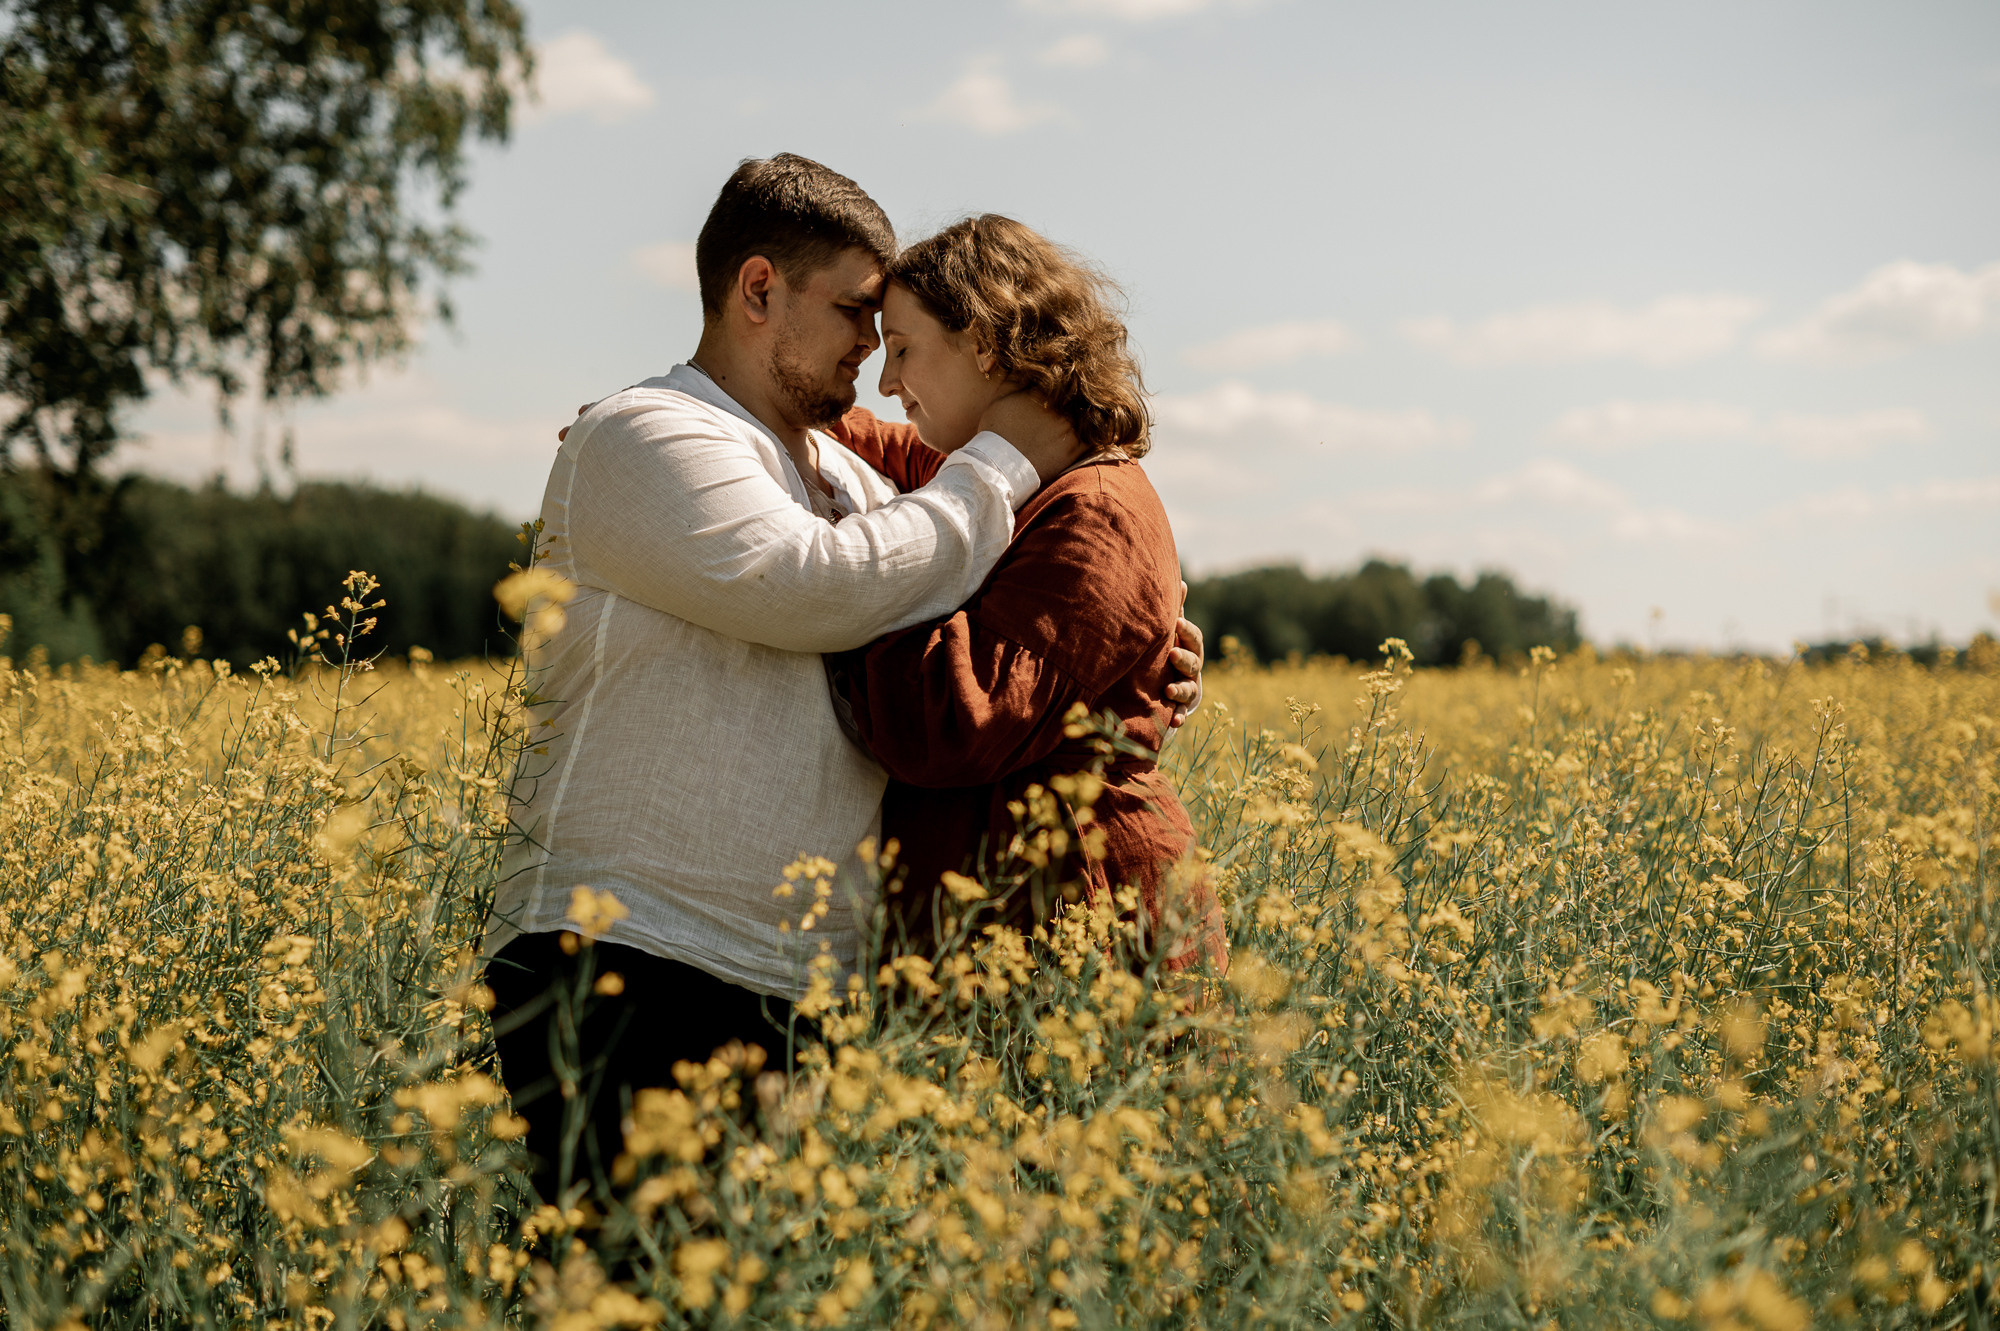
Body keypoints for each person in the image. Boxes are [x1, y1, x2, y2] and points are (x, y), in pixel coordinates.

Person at [482, 155, 1204, 1205]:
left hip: (792, 981)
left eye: (893, 335)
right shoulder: (652, 434)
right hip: (632, 949)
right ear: (759, 289)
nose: (874, 360)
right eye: (859, 317)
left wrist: (1149, 643)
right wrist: (1007, 454)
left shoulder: (840, 471)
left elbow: (1006, 555)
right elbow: (825, 582)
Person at [827, 216, 1230, 982]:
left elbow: (949, 720)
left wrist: (838, 580)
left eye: (903, 348)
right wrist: (697, 420)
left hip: (1083, 938)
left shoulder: (1098, 510)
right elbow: (860, 437)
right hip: (1020, 935)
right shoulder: (1021, 476)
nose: (885, 380)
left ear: (982, 342)